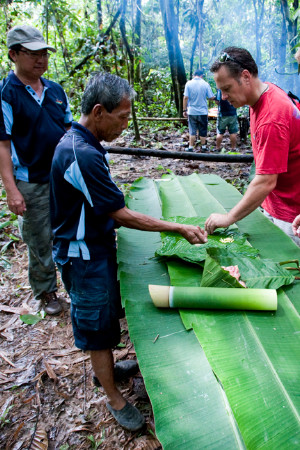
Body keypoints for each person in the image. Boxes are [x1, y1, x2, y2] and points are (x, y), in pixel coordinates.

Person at [50, 72, 208, 432]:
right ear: (99, 111)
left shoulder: (84, 142)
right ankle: (113, 396)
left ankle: (107, 368)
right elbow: (118, 214)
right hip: (83, 256)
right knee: (96, 327)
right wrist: (177, 228)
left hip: (95, 246)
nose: (125, 124)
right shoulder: (81, 153)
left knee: (106, 317)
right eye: (122, 117)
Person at [0, 25, 73, 314]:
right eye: (32, 54)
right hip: (31, 180)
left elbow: (70, 132)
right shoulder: (7, 93)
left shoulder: (55, 90)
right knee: (39, 239)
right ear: (14, 55)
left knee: (68, 232)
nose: (40, 60)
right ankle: (46, 292)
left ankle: (73, 283)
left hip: (62, 177)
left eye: (43, 53)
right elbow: (3, 145)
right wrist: (11, 189)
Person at [205, 47, 300, 247]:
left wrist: (228, 217)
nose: (223, 96)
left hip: (291, 215)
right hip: (276, 202)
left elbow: (265, 181)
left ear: (246, 76)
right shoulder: (265, 94)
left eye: (227, 88)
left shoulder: (272, 117)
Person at [183, 69, 215, 152]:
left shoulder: (188, 83)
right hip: (203, 112)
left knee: (192, 130)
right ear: (202, 76)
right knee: (203, 129)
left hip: (192, 111)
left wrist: (184, 110)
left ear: (194, 75)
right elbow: (211, 97)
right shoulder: (205, 84)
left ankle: (190, 147)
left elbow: (185, 97)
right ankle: (203, 147)